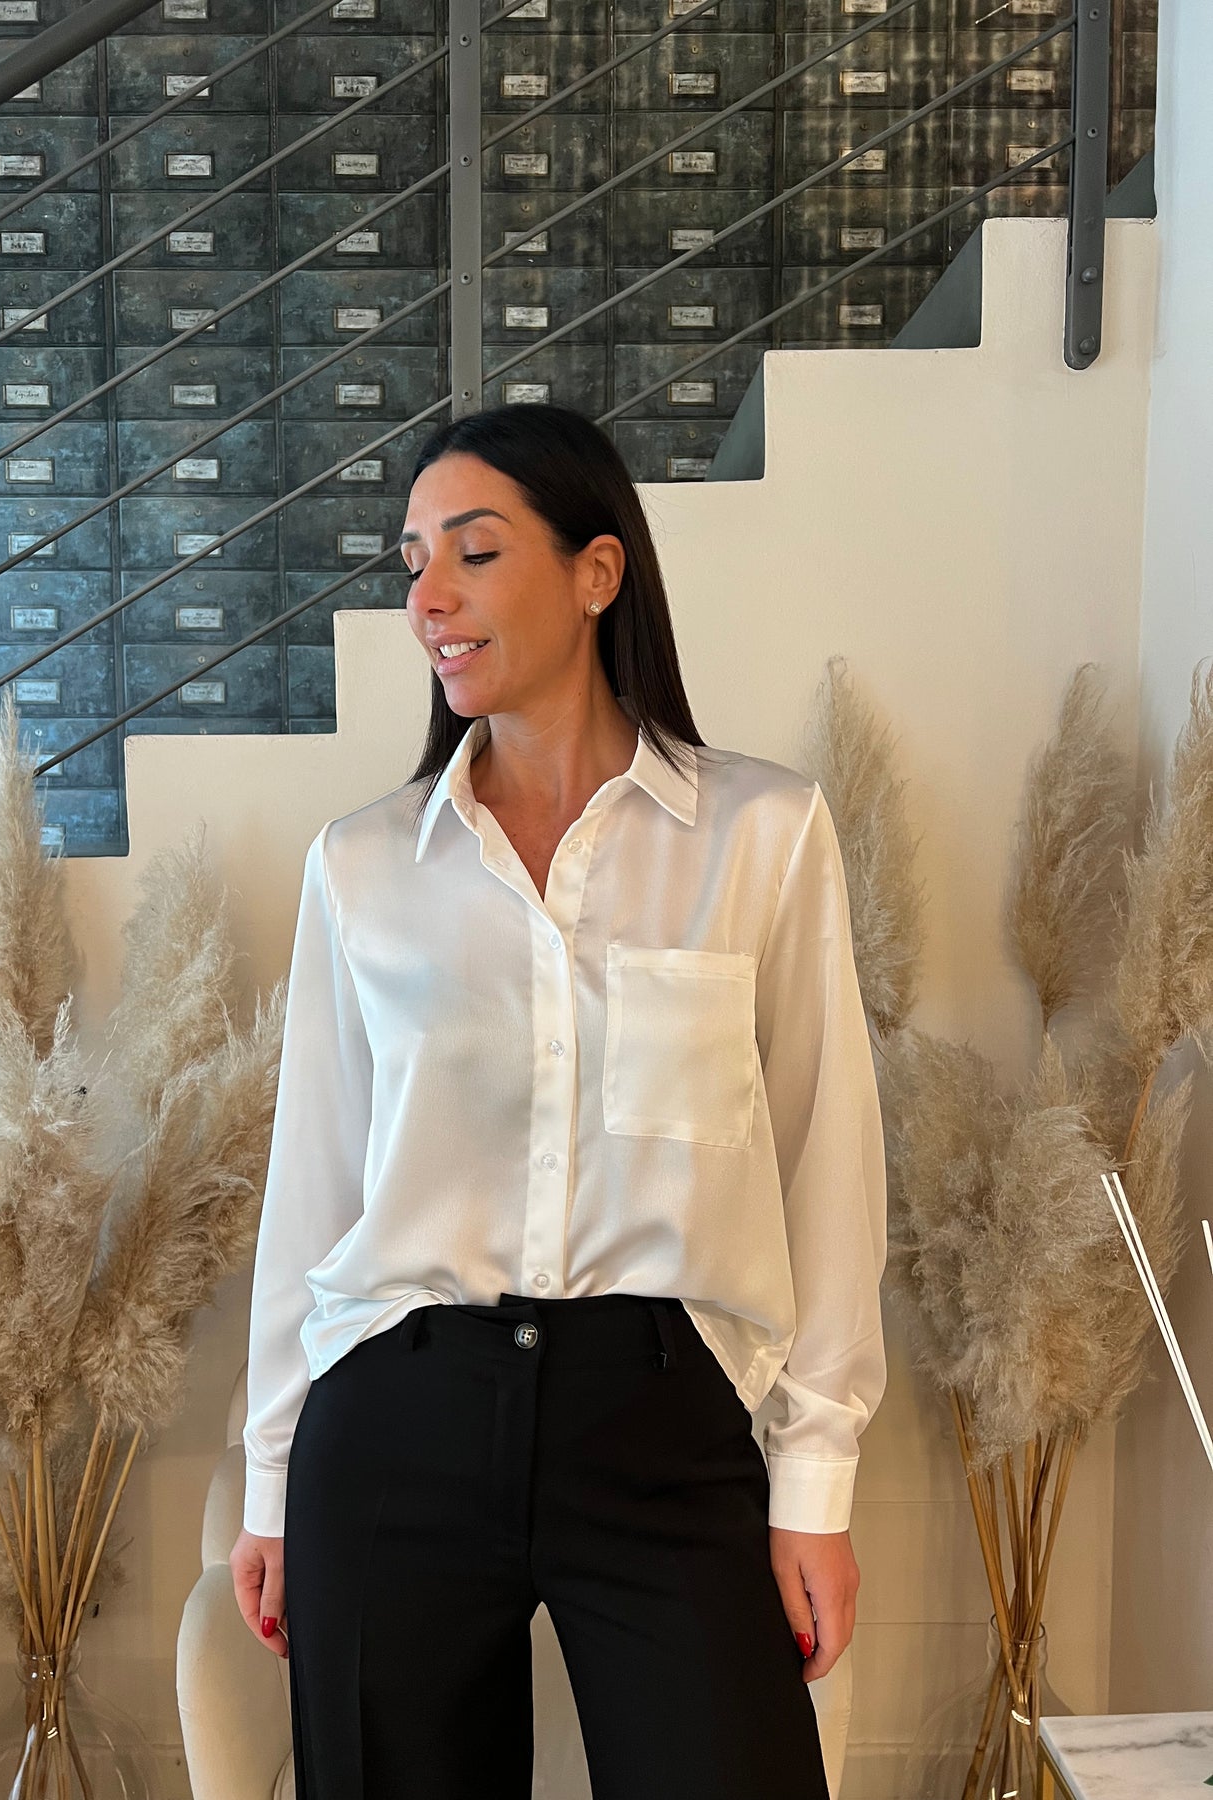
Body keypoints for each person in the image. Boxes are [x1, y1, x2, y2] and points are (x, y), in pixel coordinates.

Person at [229, 402, 887, 1799]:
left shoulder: (761, 837)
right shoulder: (362, 869)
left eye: (474, 553)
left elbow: (826, 1166)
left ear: (597, 572)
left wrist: (814, 1486)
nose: (429, 597)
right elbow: (315, 1187)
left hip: (661, 1415)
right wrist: (271, 1478)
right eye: (412, 561)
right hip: (395, 1414)